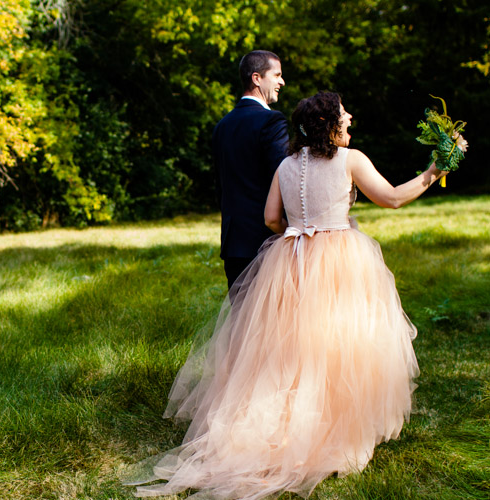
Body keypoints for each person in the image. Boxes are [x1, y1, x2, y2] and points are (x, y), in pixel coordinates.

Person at [124, 92, 447, 499]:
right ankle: (332, 429)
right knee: (340, 345)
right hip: (341, 260)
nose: (351, 120)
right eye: (345, 115)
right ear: (330, 124)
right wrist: (437, 169)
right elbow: (394, 198)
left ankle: (279, 426)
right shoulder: (352, 160)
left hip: (290, 260)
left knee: (289, 351)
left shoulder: (285, 165)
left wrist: (299, 237)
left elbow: (271, 218)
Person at [213, 50, 289, 291]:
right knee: (273, 323)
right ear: (257, 78)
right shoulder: (271, 122)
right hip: (266, 240)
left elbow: (221, 187)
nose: (281, 82)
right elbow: (284, 178)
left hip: (233, 242)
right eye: (276, 75)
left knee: (241, 322)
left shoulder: (222, 126)